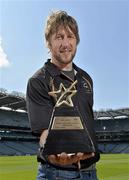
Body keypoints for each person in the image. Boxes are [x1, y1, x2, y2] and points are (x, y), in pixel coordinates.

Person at [26, 10, 100, 180]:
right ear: (48, 43)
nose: (66, 43)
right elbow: (44, 132)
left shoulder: (86, 78)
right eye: (59, 37)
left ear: (77, 41)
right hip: (56, 173)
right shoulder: (38, 80)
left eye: (70, 36)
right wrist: (54, 150)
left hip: (91, 172)